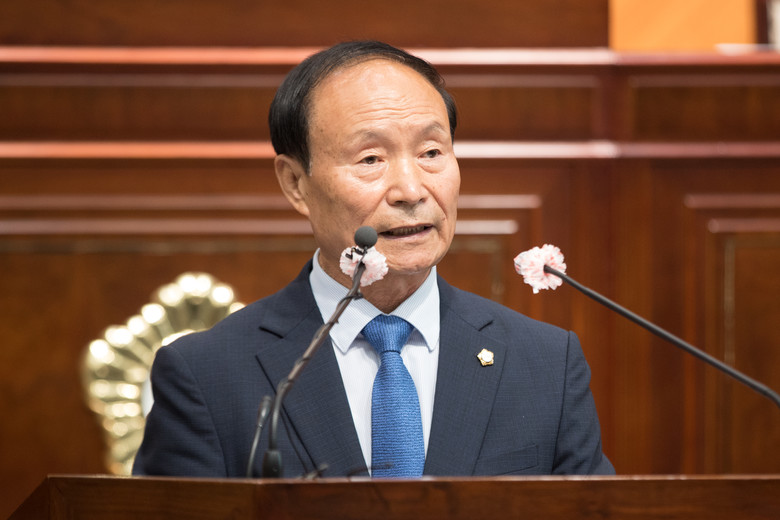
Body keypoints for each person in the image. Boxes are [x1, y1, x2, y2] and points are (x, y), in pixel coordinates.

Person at [133, 40, 614, 478]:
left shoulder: (545, 364)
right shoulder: (207, 374)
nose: (411, 190)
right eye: (370, 159)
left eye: (431, 152)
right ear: (295, 183)